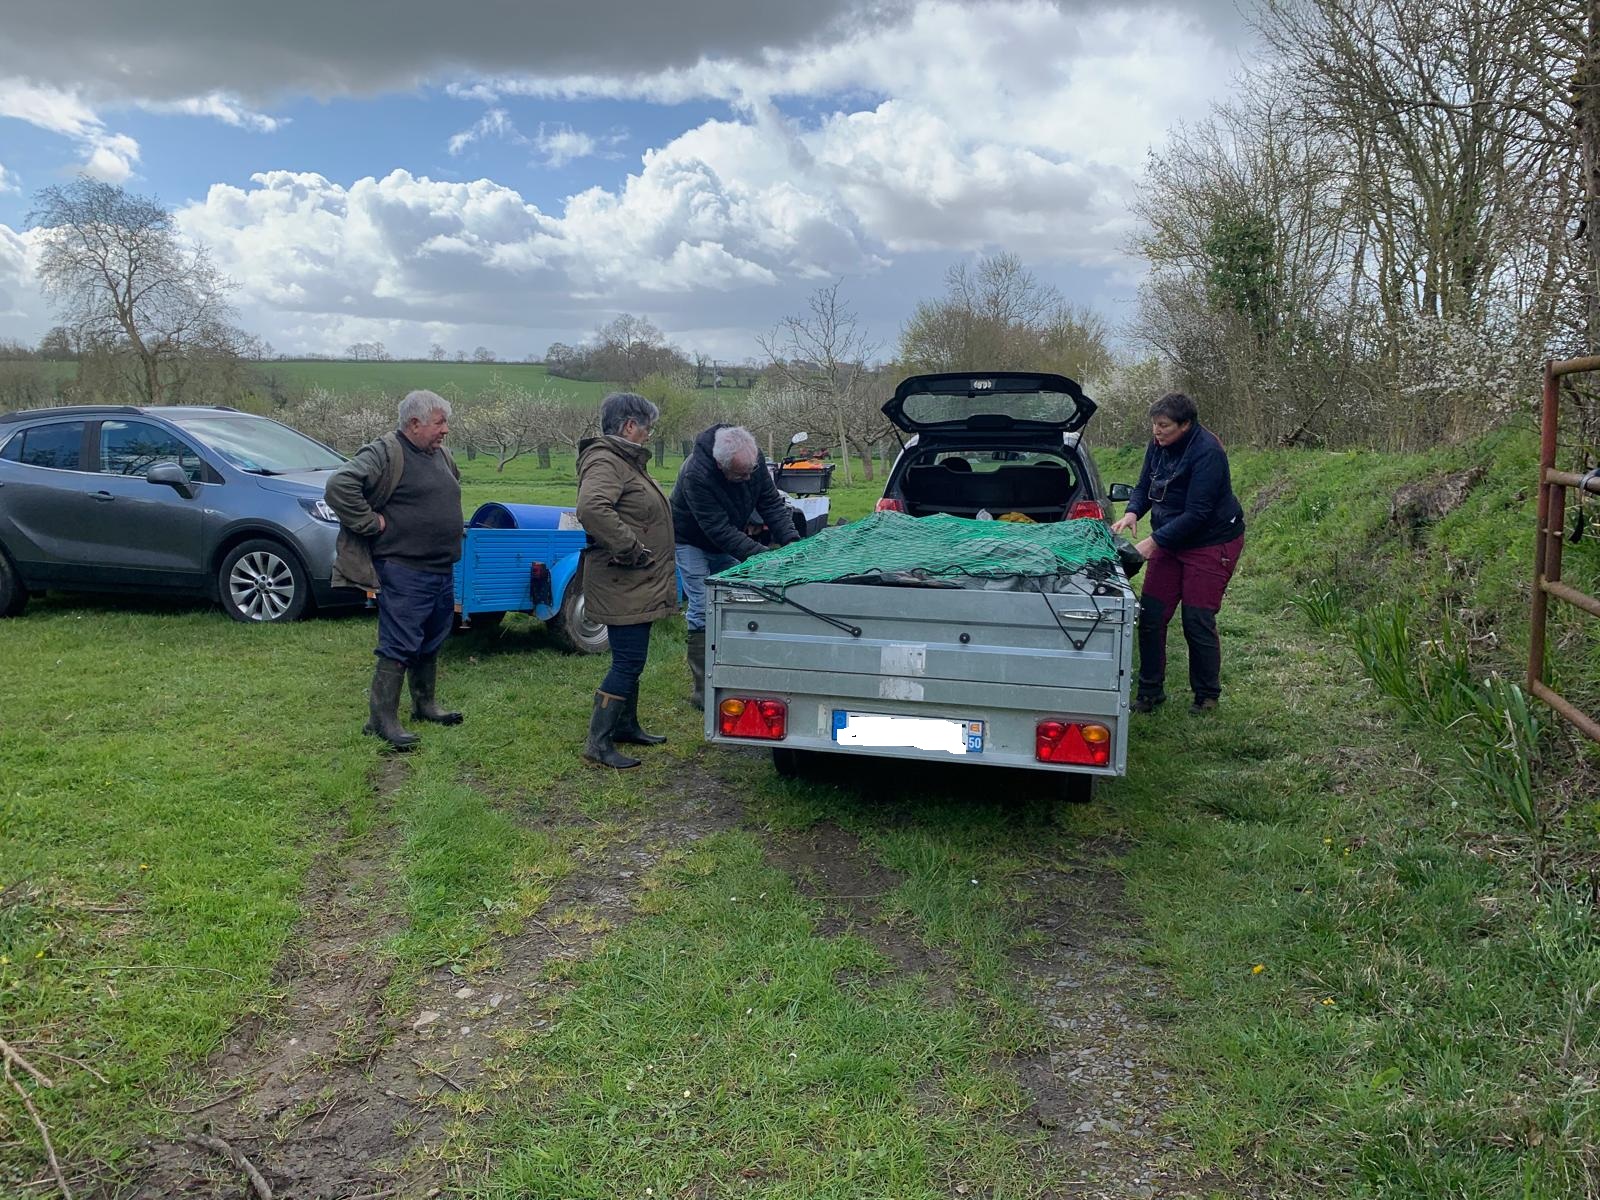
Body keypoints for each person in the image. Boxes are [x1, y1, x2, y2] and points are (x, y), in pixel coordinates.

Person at [325, 390, 465, 750]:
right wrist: (371, 523)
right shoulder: (385, 452)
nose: (446, 430)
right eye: (440, 423)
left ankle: (425, 705)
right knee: (400, 643)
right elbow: (340, 486)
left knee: (433, 637)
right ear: (414, 424)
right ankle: (381, 719)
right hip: (404, 568)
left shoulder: (440, 455)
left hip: (440, 568)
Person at [1110, 392, 1245, 714]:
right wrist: (1132, 512)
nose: (1157, 431)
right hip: (1171, 538)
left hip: (1211, 542)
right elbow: (1144, 486)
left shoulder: (1207, 453)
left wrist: (1152, 543)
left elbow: (1198, 513)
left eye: (1164, 426)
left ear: (1185, 425)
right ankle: (1149, 693)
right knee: (1152, 616)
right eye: (1154, 425)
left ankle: (1207, 696)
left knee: (1197, 620)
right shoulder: (1158, 446)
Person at [575, 392, 677, 769]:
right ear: (629, 426)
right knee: (628, 662)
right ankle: (598, 742)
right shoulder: (606, 460)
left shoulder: (623, 460)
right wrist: (630, 547)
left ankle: (626, 726)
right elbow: (591, 507)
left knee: (632, 658)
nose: (649, 435)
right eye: (647, 428)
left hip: (635, 581)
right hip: (623, 578)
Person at [672, 424, 799, 708]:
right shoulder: (697, 474)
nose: (746, 479)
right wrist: (761, 555)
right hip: (691, 539)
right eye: (739, 474)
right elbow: (717, 529)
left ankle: (732, 675)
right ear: (720, 465)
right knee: (703, 606)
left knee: (731, 603)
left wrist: (791, 541)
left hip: (726, 536)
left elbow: (771, 503)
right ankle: (703, 691)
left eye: (750, 472)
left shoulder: (751, 463)